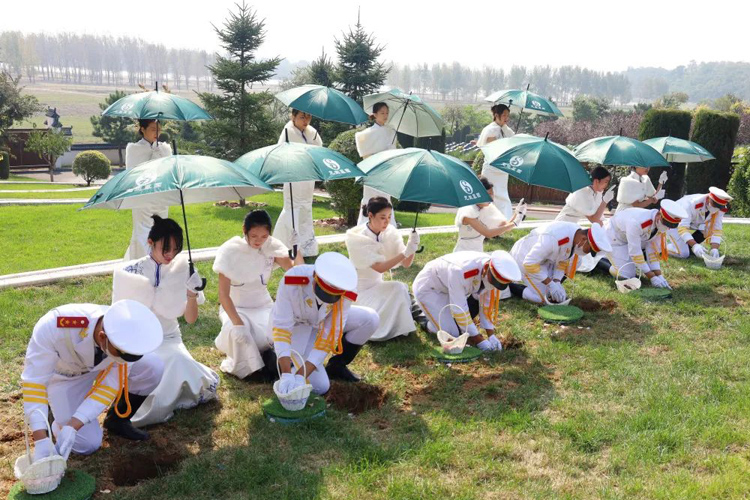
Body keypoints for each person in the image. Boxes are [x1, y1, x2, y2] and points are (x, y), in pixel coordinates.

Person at [21, 300, 164, 461]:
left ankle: (118, 421)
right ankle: (54, 416)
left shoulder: (125, 340)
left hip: (102, 365)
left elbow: (108, 387)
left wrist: (73, 426)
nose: (126, 360)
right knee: (87, 445)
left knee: (153, 366)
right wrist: (40, 439)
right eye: (121, 355)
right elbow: (35, 382)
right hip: (65, 377)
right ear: (102, 337)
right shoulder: (54, 326)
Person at [112, 216, 219, 428]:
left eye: (176, 249)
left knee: (178, 361)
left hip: (170, 337)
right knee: (156, 370)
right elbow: (118, 315)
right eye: (166, 248)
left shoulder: (183, 270)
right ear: (150, 242)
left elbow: (190, 319)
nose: (171, 255)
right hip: (141, 342)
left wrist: (191, 294)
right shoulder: (130, 271)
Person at [271, 252, 379, 394]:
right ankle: (279, 364)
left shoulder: (346, 288)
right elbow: (282, 328)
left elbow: (331, 333)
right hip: (296, 327)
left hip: (322, 322)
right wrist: (286, 375)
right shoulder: (293, 278)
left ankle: (337, 366)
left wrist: (301, 375)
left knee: (370, 319)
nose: (326, 299)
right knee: (320, 387)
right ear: (315, 276)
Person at [213, 210, 303, 379]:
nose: (258, 241)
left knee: (281, 330)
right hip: (236, 308)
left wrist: (297, 251)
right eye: (254, 236)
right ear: (244, 230)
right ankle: (251, 370)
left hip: (263, 306)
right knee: (239, 333)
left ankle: (270, 360)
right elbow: (223, 295)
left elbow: (297, 273)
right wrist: (238, 323)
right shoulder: (230, 252)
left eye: (264, 236)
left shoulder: (271, 247)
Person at [412, 250, 522, 351]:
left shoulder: (494, 271)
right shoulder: (461, 271)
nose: (494, 285)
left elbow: (486, 304)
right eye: (493, 281)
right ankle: (417, 310)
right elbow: (459, 309)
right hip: (430, 288)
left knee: (458, 328)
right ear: (486, 268)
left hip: (449, 288)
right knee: (452, 334)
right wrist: (479, 340)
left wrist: (491, 334)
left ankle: (434, 316)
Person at [345, 197, 419, 341]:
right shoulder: (356, 237)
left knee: (400, 288)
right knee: (397, 288)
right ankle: (378, 330)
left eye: (389, 217)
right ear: (370, 215)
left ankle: (398, 330)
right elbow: (379, 268)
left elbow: (406, 264)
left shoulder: (390, 232)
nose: (387, 221)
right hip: (359, 292)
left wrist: (413, 245)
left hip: (377, 285)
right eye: (382, 217)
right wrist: (405, 252)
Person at [509, 222, 612, 304]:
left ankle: (549, 286)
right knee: (543, 299)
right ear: (584, 239)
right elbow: (529, 263)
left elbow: (563, 261)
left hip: (544, 260)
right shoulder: (553, 238)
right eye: (589, 250)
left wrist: (557, 281)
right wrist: (550, 284)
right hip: (524, 257)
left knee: (577, 261)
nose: (587, 253)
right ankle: (510, 285)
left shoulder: (576, 236)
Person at [594, 201, 688, 289]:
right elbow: (635, 252)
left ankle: (615, 258)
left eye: (671, 226)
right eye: (666, 223)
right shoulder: (638, 222)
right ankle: (599, 261)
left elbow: (653, 250)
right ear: (659, 215)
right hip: (614, 238)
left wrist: (659, 275)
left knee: (633, 267)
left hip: (629, 239)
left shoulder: (660, 224)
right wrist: (651, 277)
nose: (667, 227)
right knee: (626, 275)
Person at [273, 109, 324, 257]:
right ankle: (286, 245)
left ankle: (306, 246)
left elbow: (319, 151)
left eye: (308, 116)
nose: (305, 120)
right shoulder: (287, 132)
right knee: (292, 208)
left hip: (308, 177)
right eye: (302, 117)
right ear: (293, 117)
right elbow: (280, 153)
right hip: (293, 175)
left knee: (306, 209)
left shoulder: (312, 132)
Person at [124, 119, 173, 260]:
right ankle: (141, 262)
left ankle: (160, 261)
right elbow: (132, 174)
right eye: (153, 129)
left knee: (162, 230)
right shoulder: (134, 149)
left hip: (160, 196)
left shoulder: (165, 148)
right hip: (142, 197)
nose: (157, 133)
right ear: (142, 129)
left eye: (159, 129)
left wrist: (160, 154)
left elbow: (168, 172)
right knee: (142, 232)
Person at [454, 176, 525, 253]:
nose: (491, 198)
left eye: (492, 194)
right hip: (463, 253)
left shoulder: (488, 208)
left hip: (478, 253)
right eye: (487, 194)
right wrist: (515, 223)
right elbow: (488, 233)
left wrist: (517, 213)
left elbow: (504, 227)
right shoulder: (467, 211)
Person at [355, 102, 398, 227]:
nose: (385, 115)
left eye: (387, 113)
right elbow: (365, 154)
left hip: (386, 172)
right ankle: (366, 225)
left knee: (385, 198)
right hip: (372, 171)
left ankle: (387, 226)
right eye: (382, 113)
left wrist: (390, 149)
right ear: (374, 114)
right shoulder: (367, 134)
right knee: (370, 198)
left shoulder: (391, 132)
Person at [667, 187, 732, 259]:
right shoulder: (692, 204)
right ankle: (661, 247)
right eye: (715, 205)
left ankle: (688, 246)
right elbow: (682, 228)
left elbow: (716, 229)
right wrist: (695, 245)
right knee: (683, 254)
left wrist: (714, 248)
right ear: (709, 199)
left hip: (692, 222)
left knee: (708, 229)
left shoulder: (720, 208)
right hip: (672, 221)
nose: (716, 208)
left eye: (719, 207)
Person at [478, 104, 515, 219]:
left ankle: (503, 221)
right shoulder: (491, 129)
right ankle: (488, 221)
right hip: (492, 169)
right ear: (496, 115)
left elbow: (513, 139)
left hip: (503, 170)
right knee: (491, 195)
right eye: (504, 115)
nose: (506, 118)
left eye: (508, 115)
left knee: (503, 195)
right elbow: (492, 150)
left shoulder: (505, 129)